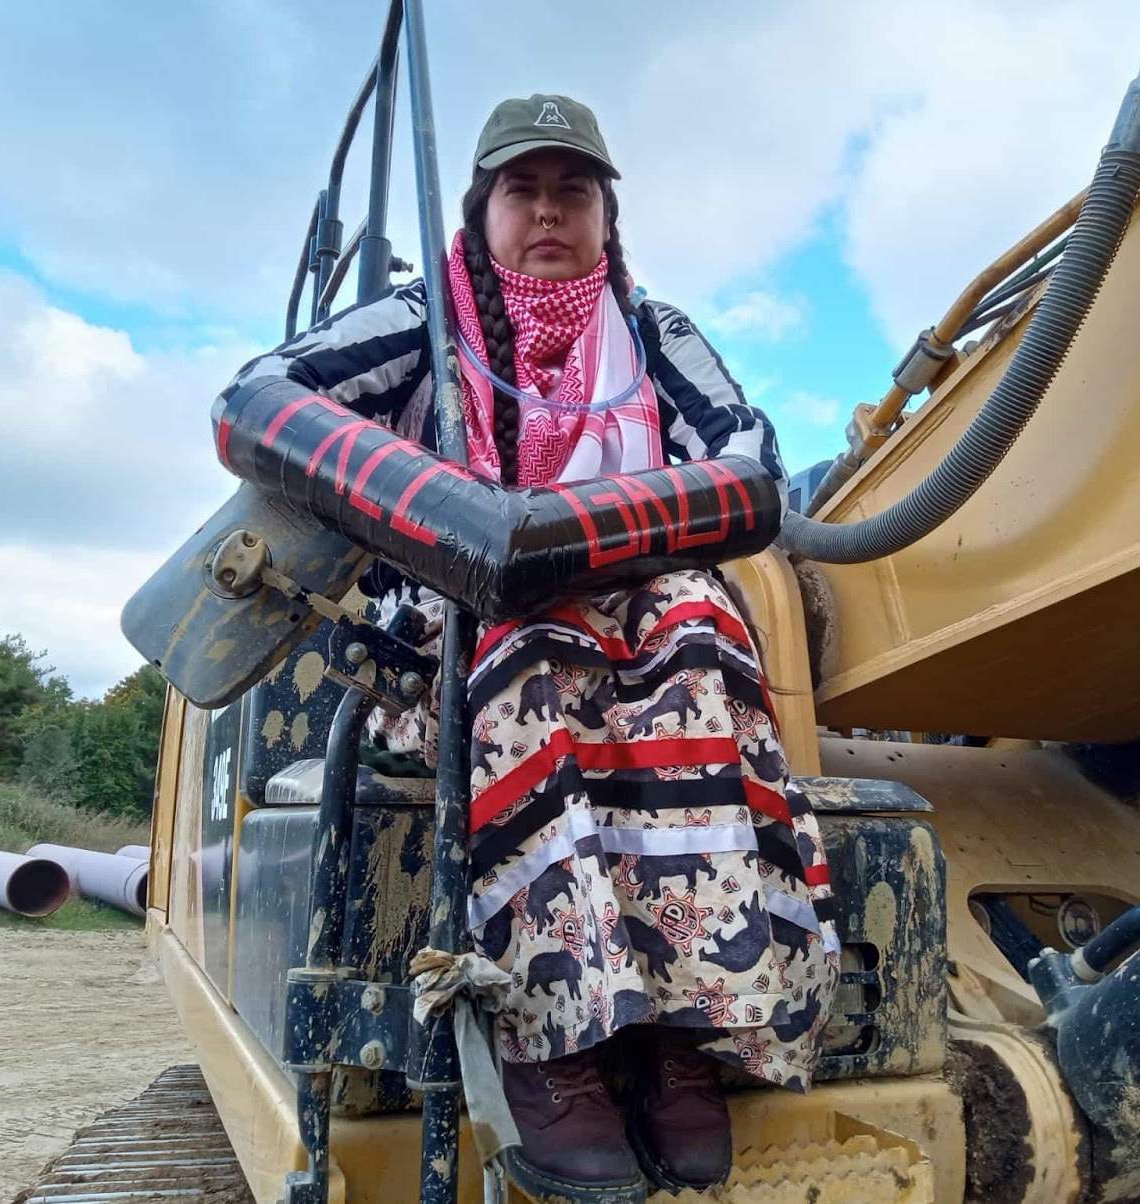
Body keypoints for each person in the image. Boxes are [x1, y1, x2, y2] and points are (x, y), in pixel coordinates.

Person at [222, 94, 839, 1201]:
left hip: (638, 612)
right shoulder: (421, 322)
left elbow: (747, 465)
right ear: (482, 208)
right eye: (523, 188)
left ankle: (674, 1028)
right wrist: (455, 516)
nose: (549, 210)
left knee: (698, 625)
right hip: (459, 630)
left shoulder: (656, 334)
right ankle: (557, 1037)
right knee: (531, 653)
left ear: (606, 214)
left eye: (574, 190)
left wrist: (558, 534)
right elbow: (256, 401)